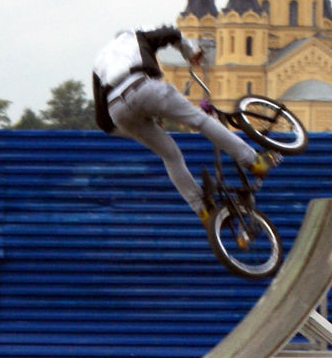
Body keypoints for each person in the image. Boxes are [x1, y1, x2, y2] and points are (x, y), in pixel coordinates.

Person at [92, 26, 279, 221]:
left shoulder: (99, 62)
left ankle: (202, 209)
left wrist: (139, 130)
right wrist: (190, 53)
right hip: (143, 87)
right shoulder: (137, 37)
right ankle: (252, 160)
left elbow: (103, 122)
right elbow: (172, 33)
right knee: (200, 120)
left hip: (116, 109)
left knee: (170, 155)